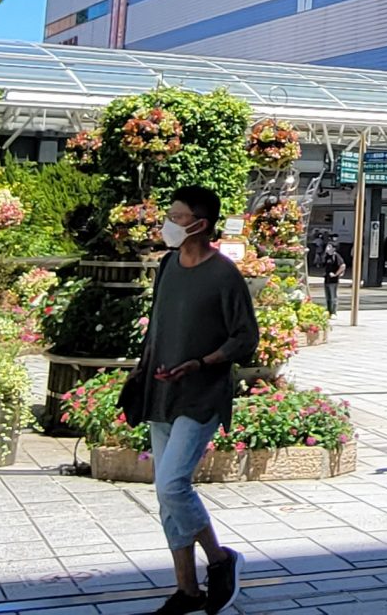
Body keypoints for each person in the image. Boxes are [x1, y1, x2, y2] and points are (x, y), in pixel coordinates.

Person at [121, 186, 257, 615]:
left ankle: (219, 559)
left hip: (202, 395)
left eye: (176, 218)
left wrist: (201, 363)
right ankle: (187, 589)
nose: (168, 224)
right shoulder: (167, 265)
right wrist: (143, 369)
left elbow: (245, 338)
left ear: (200, 224)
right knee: (165, 496)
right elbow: (158, 326)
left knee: (172, 484)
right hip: (161, 391)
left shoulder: (224, 274)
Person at [317, 239, 343, 315]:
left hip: (333, 280)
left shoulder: (336, 256)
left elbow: (342, 266)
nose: (327, 248)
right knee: (328, 296)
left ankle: (334, 312)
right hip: (327, 279)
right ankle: (328, 310)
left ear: (333, 248)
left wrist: (336, 274)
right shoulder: (326, 256)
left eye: (329, 246)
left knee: (333, 296)